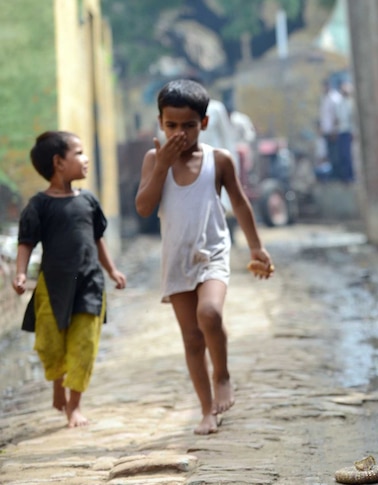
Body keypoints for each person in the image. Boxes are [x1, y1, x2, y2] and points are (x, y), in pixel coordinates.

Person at [135, 79, 273, 435]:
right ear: (160, 123)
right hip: (176, 259)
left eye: (189, 125)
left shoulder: (219, 160)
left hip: (212, 252)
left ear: (205, 123)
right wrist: (162, 164)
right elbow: (144, 207)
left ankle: (223, 374)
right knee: (192, 339)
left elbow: (240, 202)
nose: (179, 133)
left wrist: (256, 247)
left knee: (209, 313)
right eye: (171, 125)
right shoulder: (154, 159)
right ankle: (206, 409)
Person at [12, 131, 127, 428]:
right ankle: (56, 381)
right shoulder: (39, 205)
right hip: (53, 286)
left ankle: (74, 406)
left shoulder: (88, 200)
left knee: (84, 344)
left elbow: (97, 239)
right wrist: (21, 273)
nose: (85, 158)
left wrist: (112, 270)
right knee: (50, 343)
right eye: (78, 153)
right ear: (58, 162)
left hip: (89, 284)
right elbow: (26, 242)